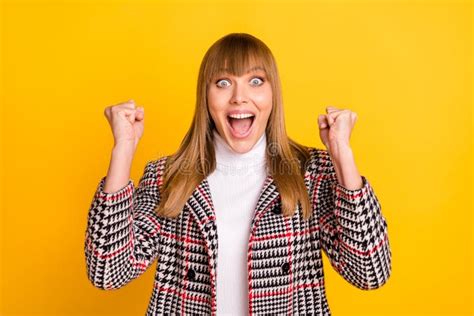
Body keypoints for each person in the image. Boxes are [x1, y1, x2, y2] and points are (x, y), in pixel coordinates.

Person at [84, 32, 392, 315]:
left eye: (256, 81)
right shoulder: (168, 176)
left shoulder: (310, 173)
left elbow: (370, 271)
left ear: (274, 95)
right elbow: (107, 272)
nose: (239, 97)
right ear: (205, 97)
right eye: (223, 82)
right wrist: (123, 150)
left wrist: (343, 158)